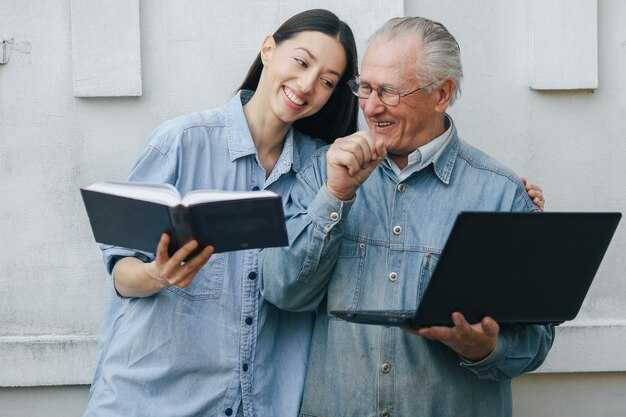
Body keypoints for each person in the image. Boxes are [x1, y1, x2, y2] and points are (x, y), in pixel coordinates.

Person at [259, 16, 554, 417]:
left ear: (441, 93)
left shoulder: (502, 194)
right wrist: (336, 196)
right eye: (364, 86)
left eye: (389, 91)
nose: (370, 106)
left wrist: (485, 348)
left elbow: (536, 341)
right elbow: (281, 290)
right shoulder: (322, 173)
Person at [83, 9, 360, 417]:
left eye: (327, 82)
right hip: (153, 401)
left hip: (263, 401)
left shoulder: (322, 172)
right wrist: (158, 274)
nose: (306, 86)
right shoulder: (181, 141)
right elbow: (122, 274)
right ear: (268, 49)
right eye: (301, 62)